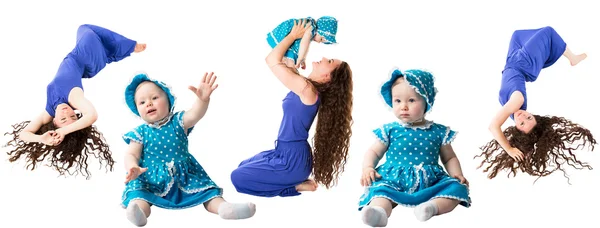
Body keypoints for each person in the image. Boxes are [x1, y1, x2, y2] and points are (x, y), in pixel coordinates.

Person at [4, 24, 146, 179]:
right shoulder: (73, 97)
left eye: (64, 119)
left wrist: (41, 139)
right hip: (86, 55)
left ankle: (122, 49)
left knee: (94, 38)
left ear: (54, 122)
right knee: (85, 30)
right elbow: (92, 115)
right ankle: (128, 47)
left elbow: (23, 134)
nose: (68, 112)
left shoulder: (49, 111)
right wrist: (63, 131)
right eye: (74, 116)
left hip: (88, 63)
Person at [230, 19, 353, 197]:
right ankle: (294, 181)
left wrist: (293, 36)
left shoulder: (307, 90)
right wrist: (302, 43)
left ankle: (293, 187)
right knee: (242, 166)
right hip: (283, 152)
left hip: (292, 160)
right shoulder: (305, 85)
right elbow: (285, 61)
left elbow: (271, 59)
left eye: (330, 60)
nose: (325, 57)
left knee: (238, 177)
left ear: (327, 77)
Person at [121, 72, 256, 227]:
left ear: (168, 100)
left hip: (185, 175)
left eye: (154, 98)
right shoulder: (140, 133)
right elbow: (131, 153)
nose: (149, 104)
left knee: (207, 193)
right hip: (151, 178)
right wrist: (133, 167)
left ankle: (224, 208)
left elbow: (195, 114)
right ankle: (139, 213)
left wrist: (202, 100)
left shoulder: (178, 121)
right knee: (140, 196)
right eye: (142, 102)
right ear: (137, 109)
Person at [475, 26, 595, 182]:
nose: (523, 116)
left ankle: (547, 54)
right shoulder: (518, 102)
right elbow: (494, 126)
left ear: (516, 130)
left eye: (522, 123)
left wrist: (512, 149)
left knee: (517, 35)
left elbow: (493, 126)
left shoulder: (512, 112)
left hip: (512, 61)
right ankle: (572, 58)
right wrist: (511, 148)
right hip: (524, 63)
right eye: (529, 118)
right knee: (549, 32)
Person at [358, 68, 471, 226]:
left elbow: (449, 157)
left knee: (457, 188)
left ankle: (431, 207)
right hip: (393, 180)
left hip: (430, 180)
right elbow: (374, 152)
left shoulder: (438, 131)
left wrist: (456, 174)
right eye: (398, 101)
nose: (403, 106)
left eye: (411, 100)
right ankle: (379, 213)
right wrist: (368, 167)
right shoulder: (390, 130)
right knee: (380, 193)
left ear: (427, 101)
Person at [267, 16, 338, 71]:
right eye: (321, 39)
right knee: (290, 63)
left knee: (289, 62)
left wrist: (302, 59)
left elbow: (303, 47)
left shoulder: (310, 26)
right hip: (285, 34)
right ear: (320, 31)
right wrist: (300, 59)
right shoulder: (311, 28)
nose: (319, 42)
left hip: (286, 35)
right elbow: (304, 44)